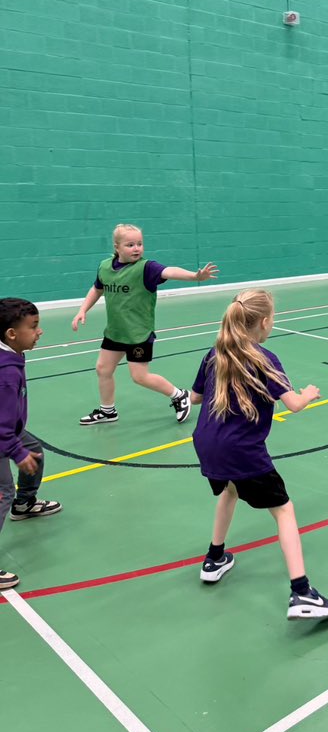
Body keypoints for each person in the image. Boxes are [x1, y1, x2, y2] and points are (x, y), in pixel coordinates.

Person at [190, 289, 328, 621]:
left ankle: (215, 558)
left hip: (206, 443)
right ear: (264, 321)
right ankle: (302, 592)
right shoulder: (264, 358)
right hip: (241, 449)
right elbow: (294, 405)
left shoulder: (214, 355)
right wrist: (309, 394)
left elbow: (195, 398)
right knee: (284, 510)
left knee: (231, 490)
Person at [71, 224, 218, 426]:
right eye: (130, 244)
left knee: (139, 376)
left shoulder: (146, 268)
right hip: (115, 332)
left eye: (139, 244)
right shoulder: (105, 266)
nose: (136, 248)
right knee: (103, 369)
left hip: (138, 334)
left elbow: (169, 271)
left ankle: (179, 395)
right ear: (117, 247)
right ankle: (108, 411)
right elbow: (97, 289)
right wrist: (82, 310)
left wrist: (194, 276)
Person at [0, 298, 62, 591]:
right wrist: (15, 450)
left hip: (10, 430)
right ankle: (15, 499)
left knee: (34, 450)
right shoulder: (6, 374)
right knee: (2, 492)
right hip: (2, 435)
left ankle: (24, 504)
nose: (40, 332)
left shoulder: (11, 355)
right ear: (11, 334)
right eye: (34, 327)